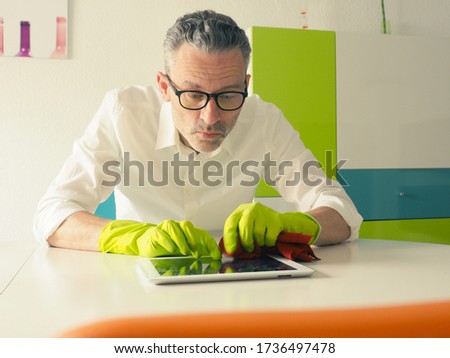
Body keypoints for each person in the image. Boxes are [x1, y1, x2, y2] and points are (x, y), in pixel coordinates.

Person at [33, 10, 362, 261]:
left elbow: (342, 211)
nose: (210, 117)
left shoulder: (263, 118)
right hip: (137, 281)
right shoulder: (124, 111)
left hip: (236, 280)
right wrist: (133, 237)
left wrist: (289, 223)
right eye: (192, 95)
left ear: (245, 86)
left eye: (229, 95)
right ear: (165, 87)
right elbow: (52, 213)